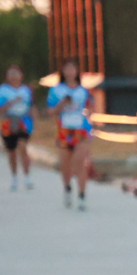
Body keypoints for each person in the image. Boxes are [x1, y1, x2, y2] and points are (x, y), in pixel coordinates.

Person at [48, 58, 93, 210]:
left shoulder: (83, 91)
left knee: (80, 161)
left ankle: (82, 195)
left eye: (73, 68)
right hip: (64, 129)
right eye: (67, 68)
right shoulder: (56, 90)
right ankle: (67, 187)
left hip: (81, 129)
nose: (70, 71)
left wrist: (89, 115)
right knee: (65, 163)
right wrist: (61, 104)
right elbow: (51, 110)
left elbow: (90, 107)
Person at [0, 66, 34, 192]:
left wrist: (34, 122)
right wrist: (12, 103)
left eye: (16, 74)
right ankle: (14, 176)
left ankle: (27, 176)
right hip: (9, 122)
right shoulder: (2, 90)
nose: (14, 76)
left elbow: (31, 106)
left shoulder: (26, 90)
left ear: (21, 76)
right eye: (11, 74)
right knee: (11, 151)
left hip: (23, 122)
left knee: (23, 146)